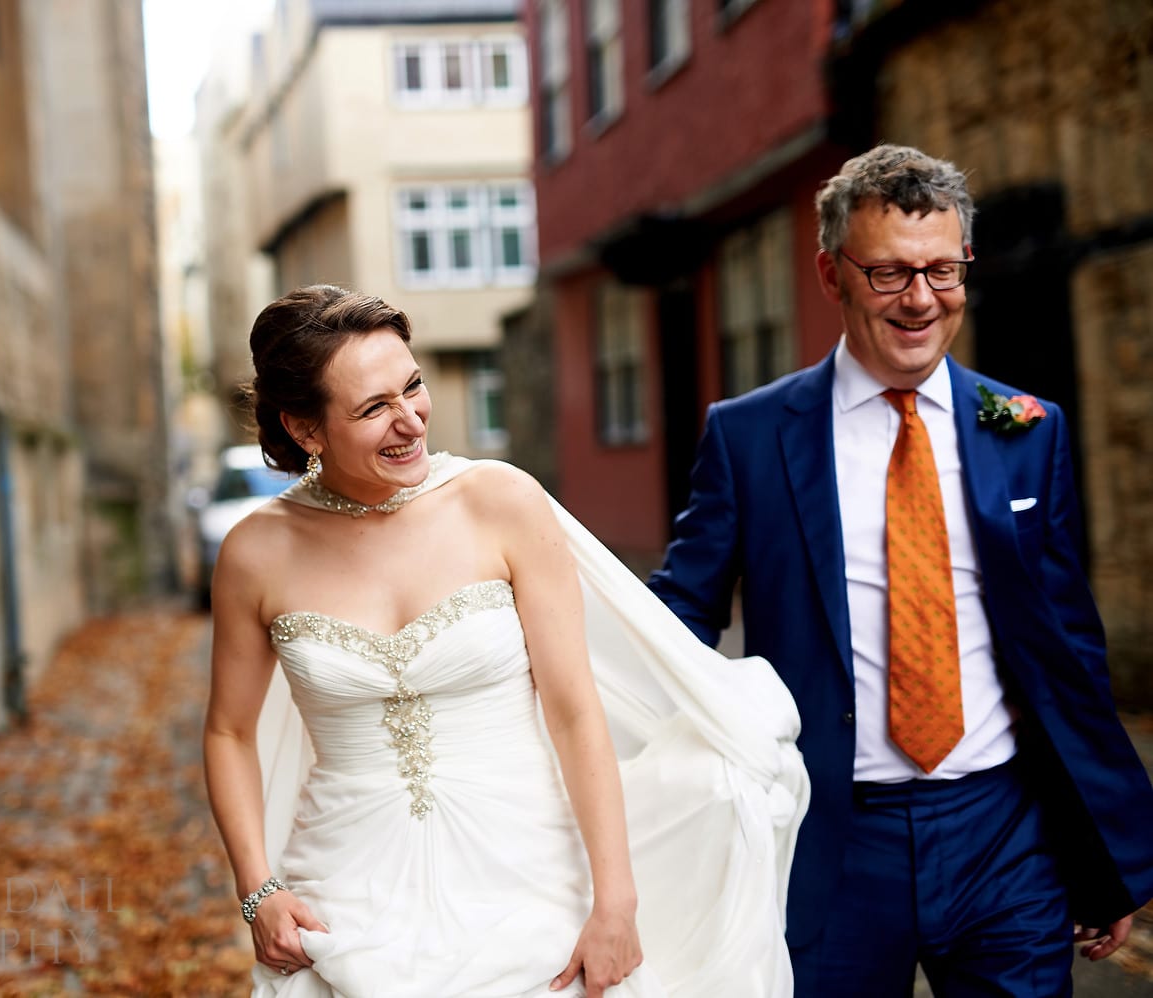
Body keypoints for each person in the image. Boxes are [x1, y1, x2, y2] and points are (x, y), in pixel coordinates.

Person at [203, 285, 809, 997]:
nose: (410, 420)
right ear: (306, 430)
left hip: (530, 879)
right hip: (343, 891)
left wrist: (615, 900)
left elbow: (574, 710)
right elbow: (228, 732)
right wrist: (258, 890)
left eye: (413, 387)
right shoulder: (256, 553)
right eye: (374, 408)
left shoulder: (501, 503)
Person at [648, 143, 1153, 995]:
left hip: (1007, 836)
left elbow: (1069, 648)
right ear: (830, 273)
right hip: (833, 845)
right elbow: (675, 628)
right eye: (888, 274)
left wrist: (1103, 848)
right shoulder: (750, 437)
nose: (921, 300)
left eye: (943, 271)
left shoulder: (1026, 427)